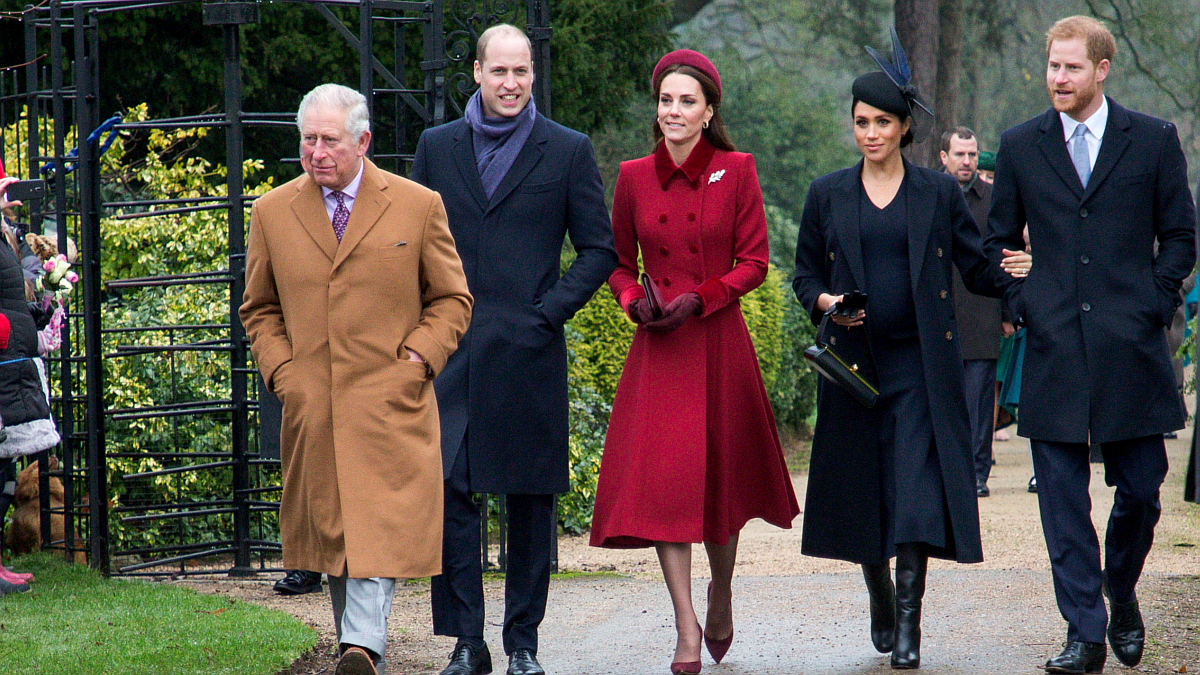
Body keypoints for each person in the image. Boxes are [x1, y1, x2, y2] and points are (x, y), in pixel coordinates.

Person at [792, 31, 1027, 670]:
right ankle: (876, 589)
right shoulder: (827, 193)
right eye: (862, 122)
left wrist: (1020, 280)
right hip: (854, 366)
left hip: (923, 364)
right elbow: (803, 276)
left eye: (883, 122)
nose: (870, 132)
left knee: (917, 492)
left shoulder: (934, 193)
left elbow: (976, 266)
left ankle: (908, 625)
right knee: (865, 491)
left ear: (903, 129)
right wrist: (828, 304)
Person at [984, 16, 1196, 673]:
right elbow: (996, 244)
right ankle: (1084, 631)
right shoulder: (1021, 146)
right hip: (1052, 349)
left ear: (1101, 70)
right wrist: (1026, 306)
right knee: (1060, 498)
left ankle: (1121, 589)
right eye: (1053, 66)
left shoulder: (1154, 141)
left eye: (1072, 67)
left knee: (1142, 488)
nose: (1058, 77)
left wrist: (1151, 307)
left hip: (1132, 351)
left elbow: (1182, 237)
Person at [240, 83, 473, 675]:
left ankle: (363, 647)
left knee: (375, 526)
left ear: (363, 141)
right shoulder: (271, 212)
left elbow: (451, 300)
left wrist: (417, 362)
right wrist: (285, 373)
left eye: (330, 140)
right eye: (308, 139)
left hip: (390, 400)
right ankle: (358, 647)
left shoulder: (418, 205)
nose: (316, 152)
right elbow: (259, 308)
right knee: (337, 536)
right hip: (313, 404)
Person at [409, 24, 616, 675]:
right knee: (452, 494)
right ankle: (468, 642)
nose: (510, 82)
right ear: (476, 72)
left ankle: (522, 641)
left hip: (528, 353)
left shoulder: (567, 150)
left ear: (532, 74)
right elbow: (408, 244)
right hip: (455, 353)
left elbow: (599, 250)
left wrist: (545, 315)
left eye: (521, 71)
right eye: (498, 71)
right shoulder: (437, 148)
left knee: (529, 502)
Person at [588, 49, 800, 675]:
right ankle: (685, 626)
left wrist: (700, 299)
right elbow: (618, 262)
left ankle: (722, 589)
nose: (674, 111)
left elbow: (754, 262)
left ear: (708, 112)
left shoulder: (736, 170)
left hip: (717, 342)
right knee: (666, 489)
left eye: (687, 101)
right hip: (658, 348)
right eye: (665, 100)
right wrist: (633, 301)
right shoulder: (631, 175)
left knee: (719, 487)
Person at [939, 128, 1004, 498]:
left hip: (981, 311)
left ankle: (978, 472)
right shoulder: (930, 196)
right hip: (939, 311)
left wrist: (1010, 311)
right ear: (944, 158)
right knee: (946, 396)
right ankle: (950, 469)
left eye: (973, 155)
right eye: (960, 155)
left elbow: (1004, 255)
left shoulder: (993, 199)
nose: (967, 161)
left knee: (980, 399)